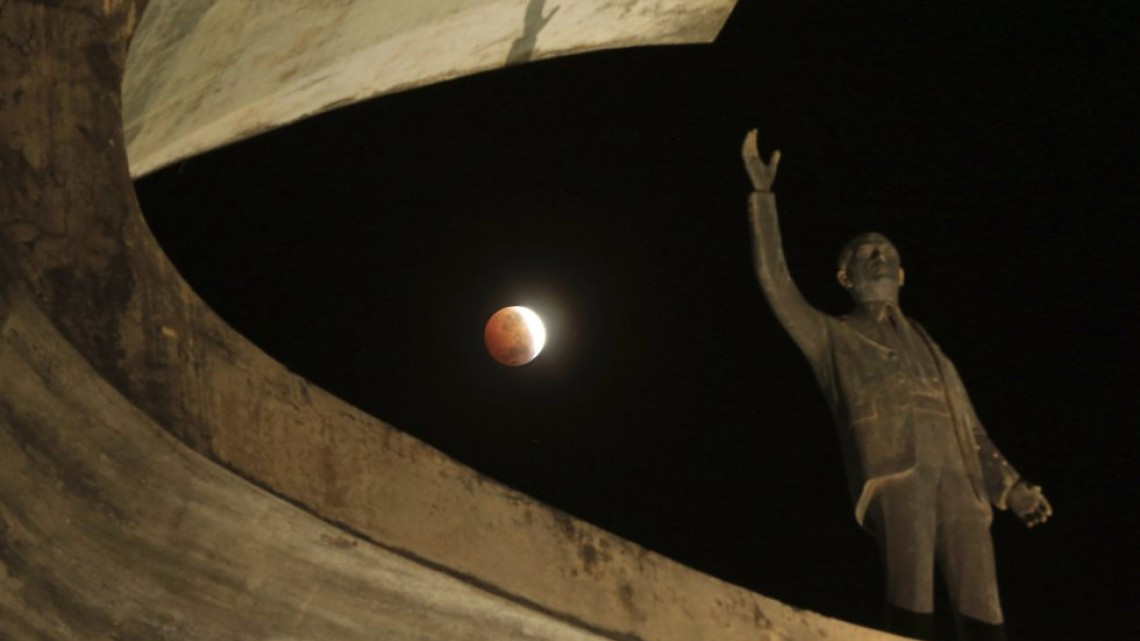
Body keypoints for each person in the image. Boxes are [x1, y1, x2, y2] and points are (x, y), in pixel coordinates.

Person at [740, 130, 1052, 641]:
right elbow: (777, 283)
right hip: (896, 470)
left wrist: (1011, 487)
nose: (878, 256)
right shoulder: (833, 338)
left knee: (983, 605)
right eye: (865, 252)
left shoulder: (934, 348)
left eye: (886, 250)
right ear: (845, 276)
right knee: (911, 598)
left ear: (903, 273)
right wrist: (764, 199)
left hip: (962, 480)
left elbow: (973, 429)